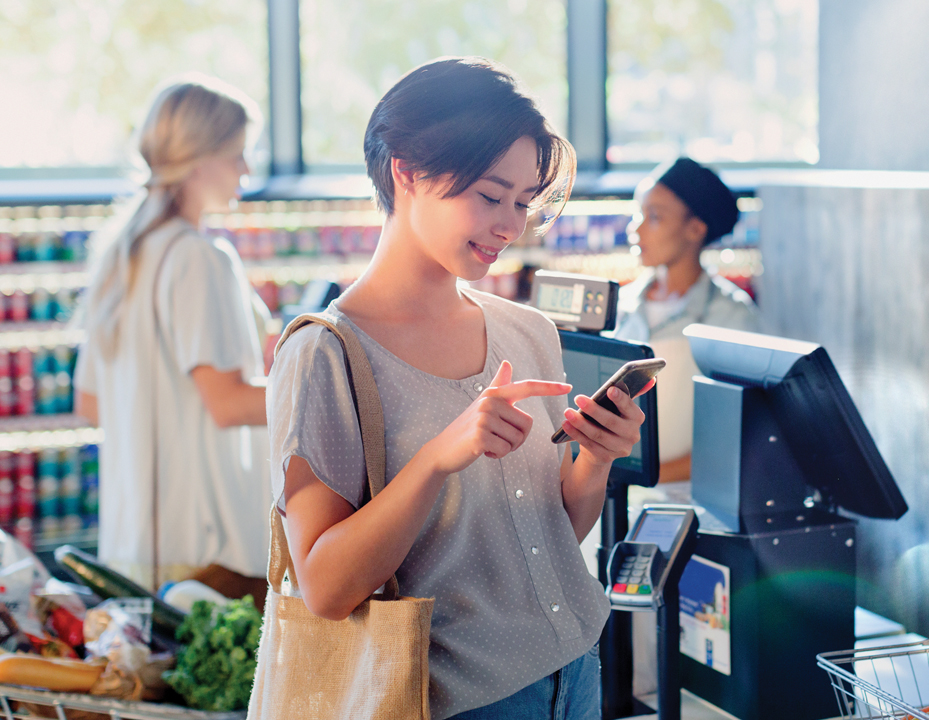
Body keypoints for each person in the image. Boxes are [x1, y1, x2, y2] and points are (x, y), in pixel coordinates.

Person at [268, 58, 650, 720]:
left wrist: (598, 458)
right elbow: (326, 589)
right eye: (490, 195)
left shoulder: (528, 332)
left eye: (525, 203)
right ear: (407, 172)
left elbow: (549, 537)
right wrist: (438, 458)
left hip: (577, 674)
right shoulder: (324, 354)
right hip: (453, 701)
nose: (511, 226)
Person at [74, 76, 273, 601]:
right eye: (238, 154)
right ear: (199, 161)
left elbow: (90, 402)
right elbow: (228, 404)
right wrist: (325, 395)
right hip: (206, 553)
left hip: (132, 547)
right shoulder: (198, 258)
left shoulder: (120, 257)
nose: (246, 170)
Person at [612, 157, 759, 482]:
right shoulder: (619, 306)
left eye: (653, 217)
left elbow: (736, 437)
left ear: (695, 228)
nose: (634, 229)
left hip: (684, 499)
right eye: (637, 213)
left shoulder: (731, 317)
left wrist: (639, 477)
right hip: (610, 497)